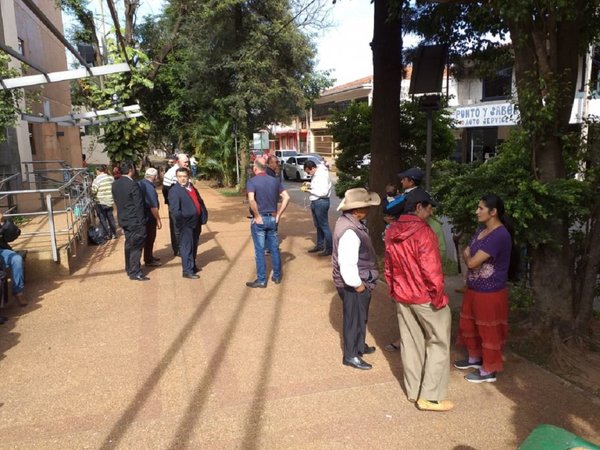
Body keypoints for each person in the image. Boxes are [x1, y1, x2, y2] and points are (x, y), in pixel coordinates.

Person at [384, 189, 453, 412]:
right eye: (428, 206)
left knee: (410, 342)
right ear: (418, 207)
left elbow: (389, 267)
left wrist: (394, 290)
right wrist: (439, 297)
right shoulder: (424, 232)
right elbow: (431, 270)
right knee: (439, 342)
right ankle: (430, 397)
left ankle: (414, 391)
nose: (431, 210)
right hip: (424, 296)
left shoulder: (392, 230)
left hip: (402, 295)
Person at [455, 194, 513, 384]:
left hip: (490, 292)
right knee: (469, 325)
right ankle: (475, 359)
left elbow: (471, 260)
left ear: (493, 212)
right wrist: (468, 256)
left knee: (489, 331)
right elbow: (468, 252)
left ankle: (489, 369)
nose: (476, 211)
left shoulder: (499, 235)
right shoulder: (482, 230)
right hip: (474, 288)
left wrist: (468, 257)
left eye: (481, 208)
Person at [332, 188, 381, 370]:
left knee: (360, 317)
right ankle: (351, 355)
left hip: (358, 280)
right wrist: (358, 285)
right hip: (354, 283)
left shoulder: (348, 222)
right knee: (353, 319)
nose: (368, 210)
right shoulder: (350, 231)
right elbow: (347, 264)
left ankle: (359, 346)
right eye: (366, 207)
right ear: (357, 210)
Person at [245, 157, 290, 288]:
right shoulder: (275, 181)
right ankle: (276, 277)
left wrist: (257, 215)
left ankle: (261, 280)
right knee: (274, 249)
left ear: (255, 168)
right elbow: (286, 197)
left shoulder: (252, 182)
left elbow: (251, 200)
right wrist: (279, 215)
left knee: (259, 251)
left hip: (260, 219)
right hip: (273, 218)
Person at [112, 160, 149, 281]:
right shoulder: (133, 185)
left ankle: (129, 268)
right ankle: (135, 272)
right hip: (135, 221)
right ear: (130, 170)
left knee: (129, 244)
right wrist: (142, 222)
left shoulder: (115, 184)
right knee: (136, 246)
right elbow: (138, 205)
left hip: (123, 219)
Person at [168, 167, 204, 279]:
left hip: (195, 221)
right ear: (176, 177)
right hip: (185, 223)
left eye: (184, 176)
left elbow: (198, 201)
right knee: (186, 246)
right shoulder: (174, 191)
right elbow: (175, 211)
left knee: (194, 245)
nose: (182, 179)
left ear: (188, 177)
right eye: (180, 177)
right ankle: (187, 270)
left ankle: (192, 266)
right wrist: (182, 222)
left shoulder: (191, 187)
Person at [302, 159, 333, 256]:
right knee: (318, 225)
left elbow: (323, 192)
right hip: (316, 201)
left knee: (324, 226)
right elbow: (318, 187)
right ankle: (320, 245)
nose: (309, 174)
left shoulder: (322, 174)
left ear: (311, 168)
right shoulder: (317, 174)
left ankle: (329, 248)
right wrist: (310, 185)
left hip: (321, 201)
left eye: (308, 172)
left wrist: (309, 190)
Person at [163, 154, 191, 256]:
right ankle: (178, 248)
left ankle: (185, 244)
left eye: (187, 162)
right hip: (175, 204)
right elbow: (165, 190)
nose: (187, 163)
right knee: (176, 227)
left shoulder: (186, 171)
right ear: (178, 161)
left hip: (186, 203)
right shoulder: (170, 173)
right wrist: (172, 202)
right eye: (185, 162)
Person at [0, 213, 26, 306]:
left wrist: (3, 223)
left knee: (17, 259)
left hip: (2, 250)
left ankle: (18, 291)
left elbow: (12, 236)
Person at [138, 168, 162, 267]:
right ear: (154, 176)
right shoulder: (150, 187)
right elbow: (153, 206)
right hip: (149, 216)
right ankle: (148, 259)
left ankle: (149, 256)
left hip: (141, 215)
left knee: (147, 238)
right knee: (150, 238)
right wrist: (158, 219)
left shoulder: (140, 183)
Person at [91, 165, 118, 240]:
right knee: (110, 217)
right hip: (109, 201)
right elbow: (114, 187)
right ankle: (114, 234)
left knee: (102, 219)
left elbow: (93, 191)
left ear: (98, 171)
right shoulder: (110, 178)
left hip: (100, 202)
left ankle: (107, 234)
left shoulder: (97, 179)